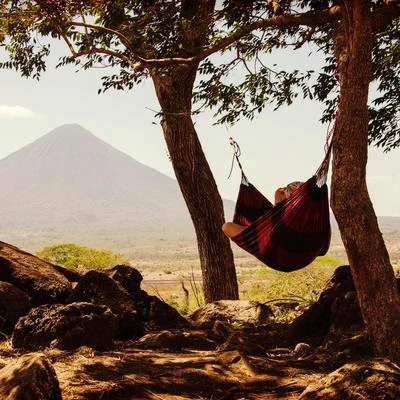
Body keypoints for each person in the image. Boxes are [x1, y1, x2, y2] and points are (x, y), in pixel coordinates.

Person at [222, 181, 304, 238]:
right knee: (227, 226)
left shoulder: (299, 217)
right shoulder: (278, 216)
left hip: (274, 237)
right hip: (267, 234)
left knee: (227, 227)